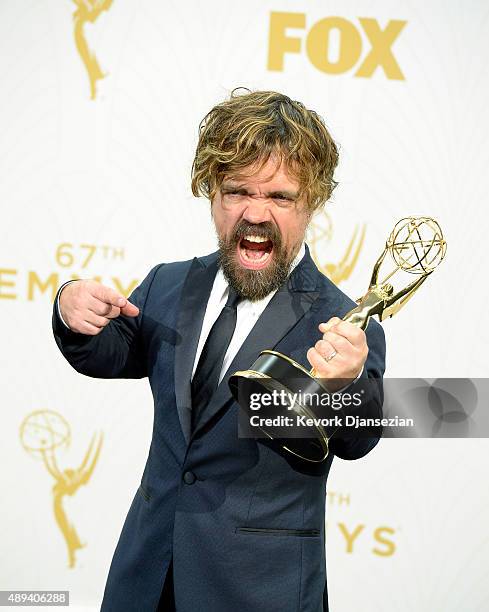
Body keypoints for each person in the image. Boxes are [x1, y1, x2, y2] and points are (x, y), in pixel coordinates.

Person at [52, 89, 385, 612]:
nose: (255, 212)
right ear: (211, 192)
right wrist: (71, 308)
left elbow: (358, 439)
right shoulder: (170, 283)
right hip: (144, 579)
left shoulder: (340, 320)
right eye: (236, 191)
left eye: (279, 197)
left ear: (312, 203)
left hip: (258, 591)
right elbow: (113, 354)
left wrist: (344, 387)